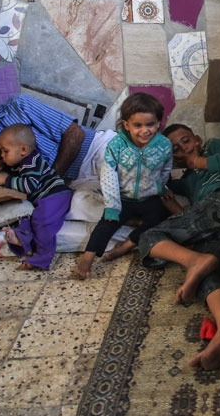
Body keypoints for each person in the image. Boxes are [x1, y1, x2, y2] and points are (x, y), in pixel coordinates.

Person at [138, 123, 220, 370]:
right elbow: (162, 187)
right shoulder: (188, 181)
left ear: (198, 139)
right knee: (209, 276)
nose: (184, 149)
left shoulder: (212, 147)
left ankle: (194, 261)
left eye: (186, 141)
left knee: (148, 237)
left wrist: (197, 161)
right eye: (175, 149)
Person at [73, 93, 173, 280]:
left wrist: (161, 187)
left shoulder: (164, 145)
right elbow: (108, 174)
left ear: (158, 123)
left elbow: (166, 168)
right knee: (107, 223)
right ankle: (88, 258)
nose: (145, 131)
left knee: (159, 219)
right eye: (138, 125)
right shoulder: (117, 144)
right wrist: (112, 205)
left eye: (150, 124)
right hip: (122, 197)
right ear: (127, 125)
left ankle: (126, 245)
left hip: (148, 197)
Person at [0, 123, 73, 271]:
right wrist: (4, 163)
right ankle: (20, 239)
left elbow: (29, 185)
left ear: (24, 150)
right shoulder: (22, 161)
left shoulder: (31, 162)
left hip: (55, 195)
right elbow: (17, 169)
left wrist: (6, 180)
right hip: (43, 198)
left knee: (42, 222)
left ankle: (42, 258)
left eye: (5, 151)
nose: (2, 155)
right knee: (25, 217)